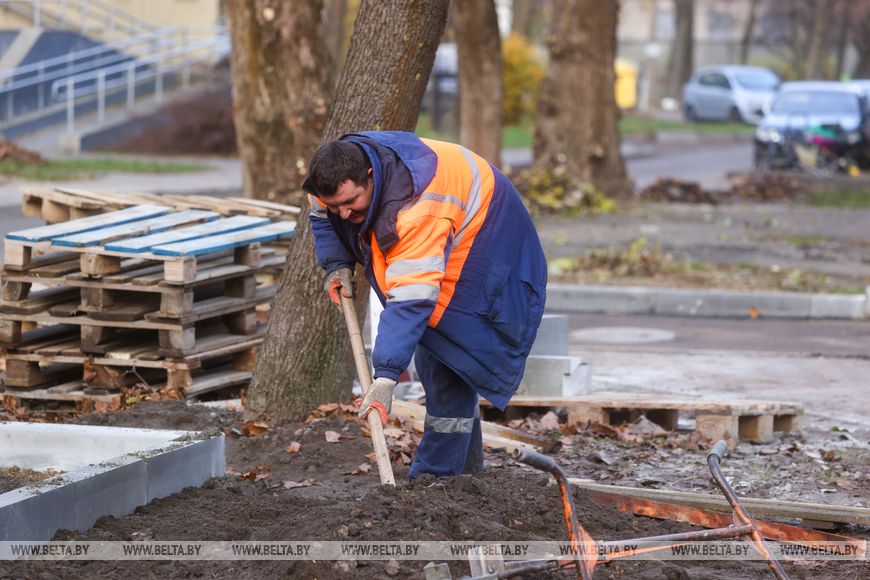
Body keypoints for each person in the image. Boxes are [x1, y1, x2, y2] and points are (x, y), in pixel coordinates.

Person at [303, 131, 546, 478]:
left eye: (351, 203)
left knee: (450, 361)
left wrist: (385, 377)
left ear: (368, 176)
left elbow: (411, 300)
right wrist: (336, 263)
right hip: (461, 231)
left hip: (490, 249)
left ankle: (437, 479)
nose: (342, 213)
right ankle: (465, 473)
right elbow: (322, 216)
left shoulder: (416, 212)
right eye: (335, 205)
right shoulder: (337, 180)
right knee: (445, 360)